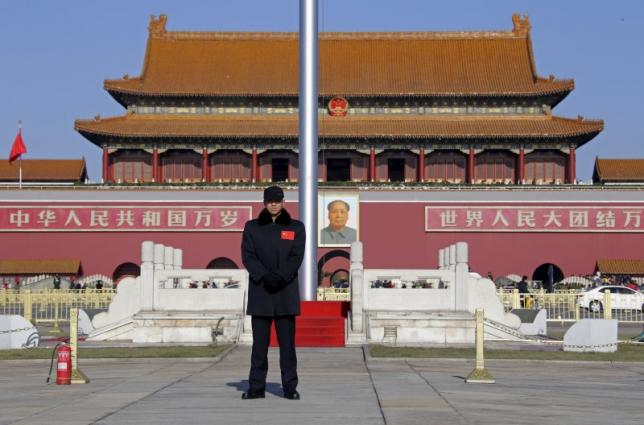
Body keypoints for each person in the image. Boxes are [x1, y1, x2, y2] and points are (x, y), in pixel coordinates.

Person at [241, 185, 305, 400]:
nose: (274, 204)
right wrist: (264, 276)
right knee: (259, 346)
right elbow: (248, 256)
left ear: (283, 202)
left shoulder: (296, 227)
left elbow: (296, 257)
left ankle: (290, 387)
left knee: (287, 346)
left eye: (277, 200)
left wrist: (280, 277)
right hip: (261, 292)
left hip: (285, 292)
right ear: (264, 203)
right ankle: (256, 387)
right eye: (270, 200)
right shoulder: (252, 227)